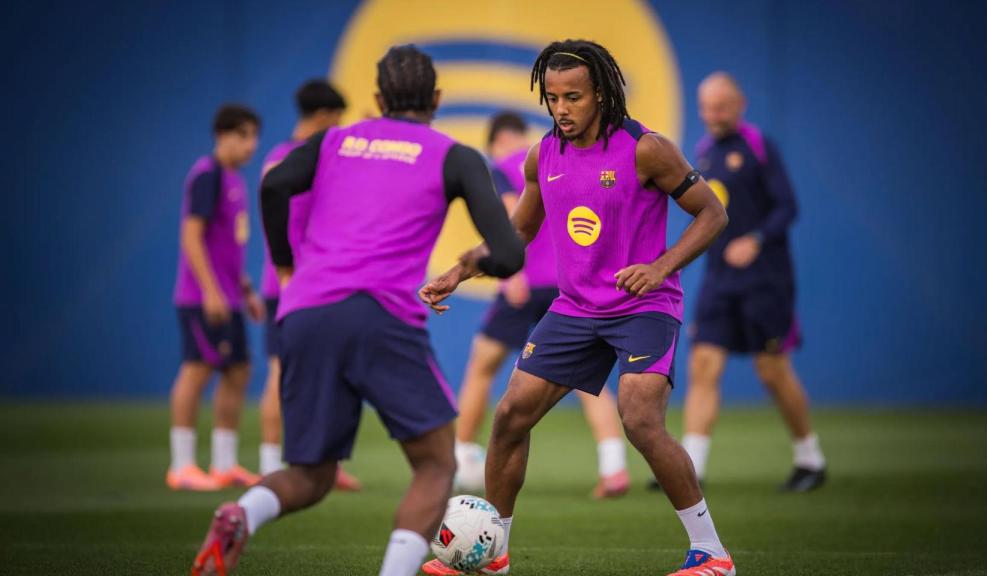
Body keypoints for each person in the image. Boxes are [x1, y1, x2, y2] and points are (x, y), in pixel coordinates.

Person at [190, 45, 524, 576]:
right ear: (436, 98)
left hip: (305, 312)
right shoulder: (454, 156)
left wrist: (284, 267)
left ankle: (241, 513)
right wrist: (474, 260)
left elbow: (274, 182)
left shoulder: (332, 141)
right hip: (379, 313)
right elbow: (509, 255)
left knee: (310, 475)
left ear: (376, 99)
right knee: (437, 465)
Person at [420, 40, 735, 576]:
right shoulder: (542, 155)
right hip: (576, 308)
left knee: (638, 418)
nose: (561, 108)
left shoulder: (647, 148)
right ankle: (494, 552)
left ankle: (711, 553)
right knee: (510, 416)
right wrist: (460, 269)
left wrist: (660, 267)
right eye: (552, 98)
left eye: (574, 97)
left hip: (644, 304)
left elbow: (711, 214)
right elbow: (516, 233)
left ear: (602, 95)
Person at [453, 111, 630, 498]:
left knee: (482, 367)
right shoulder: (558, 160)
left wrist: (510, 273)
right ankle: (613, 466)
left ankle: (459, 457)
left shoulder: (500, 167)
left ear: (496, 141)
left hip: (523, 282)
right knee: (588, 381)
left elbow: (509, 217)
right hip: (569, 283)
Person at [680, 72, 826, 492]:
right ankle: (691, 469)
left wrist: (755, 240)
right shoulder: (704, 152)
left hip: (766, 278)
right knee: (703, 363)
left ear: (739, 104)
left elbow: (788, 207)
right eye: (706, 106)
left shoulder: (760, 147)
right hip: (719, 279)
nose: (713, 114)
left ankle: (810, 459)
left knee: (772, 370)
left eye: (720, 106)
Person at [256, 79, 360, 491]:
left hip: (317, 285)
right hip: (289, 284)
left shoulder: (282, 159)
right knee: (281, 373)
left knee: (330, 375)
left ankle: (325, 465)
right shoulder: (298, 160)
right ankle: (268, 464)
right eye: (336, 120)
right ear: (322, 117)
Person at [168, 105, 264, 492]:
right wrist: (209, 291)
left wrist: (244, 289)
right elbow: (191, 236)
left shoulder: (233, 179)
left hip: (229, 296)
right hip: (202, 297)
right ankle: (182, 465)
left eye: (254, 136)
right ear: (223, 135)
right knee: (196, 371)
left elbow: (224, 248)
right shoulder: (206, 175)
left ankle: (224, 464)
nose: (251, 145)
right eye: (244, 135)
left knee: (238, 371)